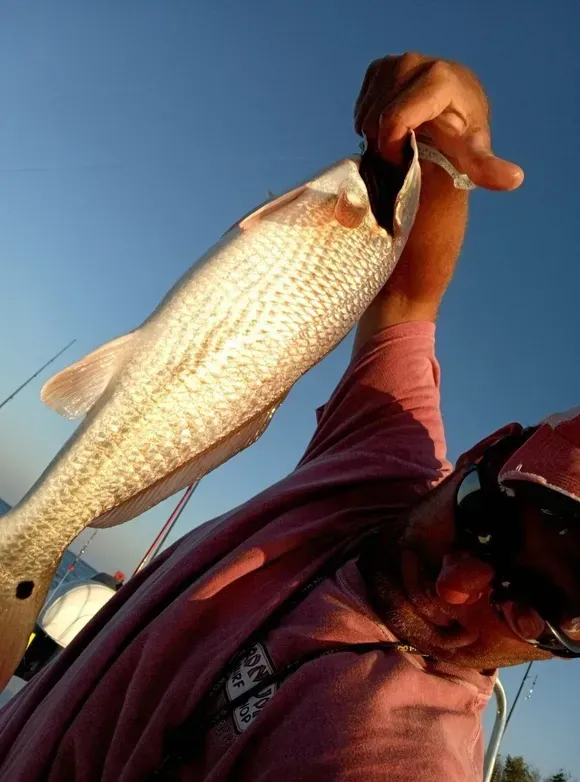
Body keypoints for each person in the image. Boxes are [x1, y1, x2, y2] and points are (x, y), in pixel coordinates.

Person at [0, 52, 578, 782]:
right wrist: (448, 147)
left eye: (540, 605)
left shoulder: (391, 752)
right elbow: (406, 301)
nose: (458, 582)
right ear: (481, 455)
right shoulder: (386, 460)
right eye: (486, 519)